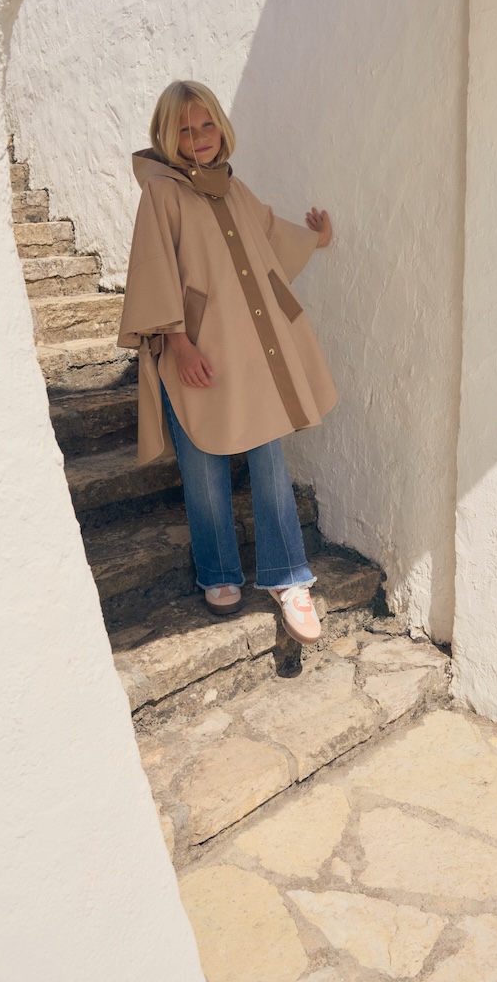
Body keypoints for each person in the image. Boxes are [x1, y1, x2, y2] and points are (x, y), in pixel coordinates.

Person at [117, 79, 338, 645]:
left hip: (251, 350)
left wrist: (314, 238)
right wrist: (180, 344)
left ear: (220, 126)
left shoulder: (234, 189)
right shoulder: (162, 193)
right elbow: (154, 268)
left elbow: (268, 235)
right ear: (166, 136)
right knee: (202, 462)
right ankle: (218, 572)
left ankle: (290, 577)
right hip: (195, 352)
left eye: (206, 124)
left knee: (268, 457)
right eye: (184, 129)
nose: (197, 137)